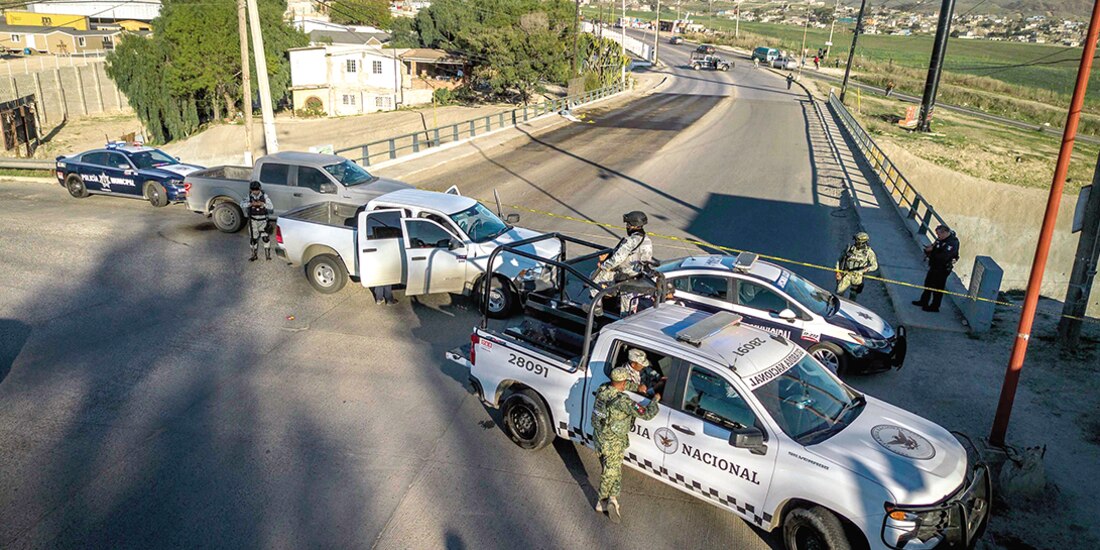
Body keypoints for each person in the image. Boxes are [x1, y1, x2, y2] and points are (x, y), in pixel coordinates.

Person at [592, 367, 660, 523]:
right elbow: (646, 413)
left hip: (599, 436)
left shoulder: (603, 388)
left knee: (613, 468)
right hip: (613, 442)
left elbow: (621, 386)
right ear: (623, 381)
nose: (626, 384)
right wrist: (655, 399)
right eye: (626, 382)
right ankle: (601, 501)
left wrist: (637, 388)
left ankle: (613, 498)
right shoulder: (622, 401)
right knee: (610, 472)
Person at [591, 211, 653, 315]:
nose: (627, 227)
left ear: (632, 226)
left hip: (624, 275)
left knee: (593, 279)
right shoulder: (647, 240)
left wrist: (604, 266)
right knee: (628, 307)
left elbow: (617, 258)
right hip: (637, 276)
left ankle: (597, 310)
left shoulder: (630, 241)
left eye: (627, 224)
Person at [912, 224, 959, 312]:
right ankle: (924, 301)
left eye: (939, 234)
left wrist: (931, 253)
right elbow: (935, 246)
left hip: (942, 268)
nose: (938, 236)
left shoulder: (952, 243)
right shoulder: (941, 239)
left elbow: (944, 257)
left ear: (945, 232)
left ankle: (935, 306)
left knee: (937, 288)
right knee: (928, 284)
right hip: (934, 266)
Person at [835, 232, 879, 302]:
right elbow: (839, 260)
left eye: (857, 241)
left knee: (853, 296)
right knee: (839, 292)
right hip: (847, 274)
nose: (855, 242)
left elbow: (875, 266)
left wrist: (866, 269)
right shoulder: (849, 248)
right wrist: (837, 272)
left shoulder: (869, 252)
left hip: (857, 276)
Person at [240, 181, 274, 261]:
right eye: (253, 190)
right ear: (251, 189)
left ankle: (267, 255)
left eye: (256, 190)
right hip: (253, 221)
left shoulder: (265, 197)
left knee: (265, 238)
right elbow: (241, 204)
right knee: (253, 239)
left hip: (263, 220)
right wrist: (250, 204)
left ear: (259, 189)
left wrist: (262, 204)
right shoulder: (248, 196)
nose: (255, 192)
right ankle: (254, 255)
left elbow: (271, 207)